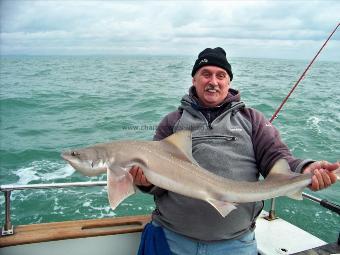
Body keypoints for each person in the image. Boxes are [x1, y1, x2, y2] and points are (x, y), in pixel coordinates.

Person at [131, 47, 339, 255]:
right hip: (173, 238)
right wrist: (146, 182)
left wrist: (305, 169)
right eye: (206, 74)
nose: (213, 81)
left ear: (228, 82)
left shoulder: (252, 119)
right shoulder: (172, 122)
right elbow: (160, 182)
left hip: (234, 244)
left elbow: (278, 157)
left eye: (220, 75)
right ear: (194, 80)